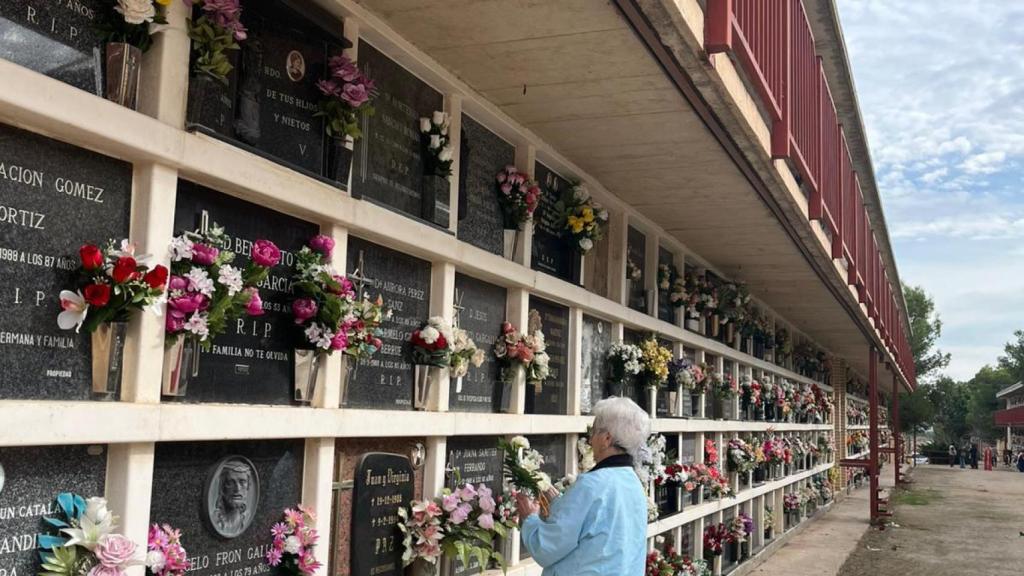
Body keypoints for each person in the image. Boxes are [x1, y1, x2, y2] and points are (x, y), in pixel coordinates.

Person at [516, 397, 649, 575]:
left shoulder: (592, 484)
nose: (589, 439)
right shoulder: (632, 482)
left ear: (607, 439)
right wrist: (557, 503)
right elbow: (596, 524)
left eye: (594, 432)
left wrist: (530, 519)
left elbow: (549, 546)